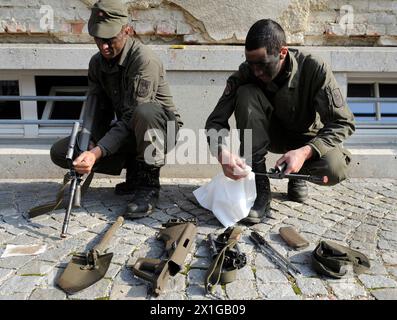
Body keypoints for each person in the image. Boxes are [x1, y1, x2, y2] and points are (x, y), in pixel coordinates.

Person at [205, 19, 355, 225]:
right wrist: (222, 154)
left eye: (263, 64)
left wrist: (304, 153)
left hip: (305, 139)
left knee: (336, 168)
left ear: (283, 52)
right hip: (268, 136)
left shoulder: (314, 68)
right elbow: (215, 121)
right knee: (246, 93)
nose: (256, 71)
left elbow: (343, 122)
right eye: (251, 64)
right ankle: (259, 185)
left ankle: (296, 174)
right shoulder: (246, 74)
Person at [50, 0, 181, 219]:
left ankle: (148, 186)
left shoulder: (144, 60)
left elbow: (133, 116)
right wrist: (89, 140)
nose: (104, 47)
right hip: (128, 129)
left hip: (159, 130)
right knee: (62, 151)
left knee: (144, 114)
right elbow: (95, 108)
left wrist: (97, 152)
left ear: (127, 31)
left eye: (110, 39)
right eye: (98, 39)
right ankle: (133, 175)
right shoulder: (96, 63)